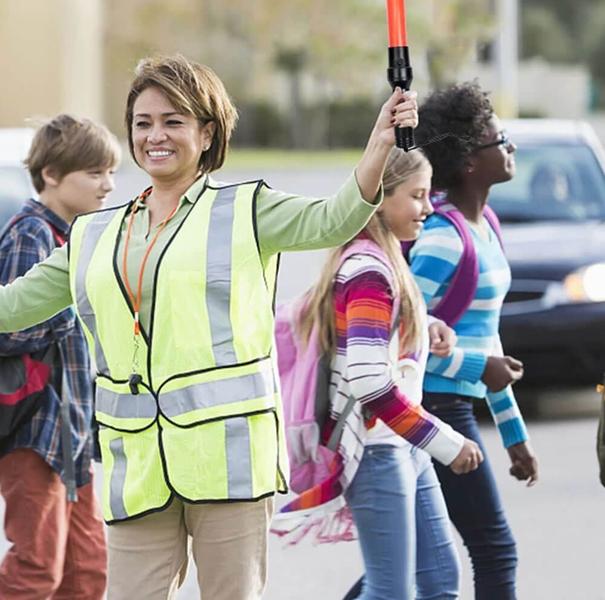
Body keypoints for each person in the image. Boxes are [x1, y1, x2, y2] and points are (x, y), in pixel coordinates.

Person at [0, 54, 421, 600]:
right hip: (140, 470)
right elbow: (11, 307)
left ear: (206, 132)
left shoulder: (246, 210)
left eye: (173, 121)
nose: (156, 136)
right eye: (143, 123)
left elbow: (334, 218)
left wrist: (380, 145)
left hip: (231, 468)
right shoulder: (93, 234)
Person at [277, 147, 484, 600]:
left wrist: (426, 328)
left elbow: (374, 337)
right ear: (378, 199)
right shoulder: (367, 269)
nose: (429, 208)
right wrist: (447, 443)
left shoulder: (384, 260)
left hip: (400, 444)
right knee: (393, 591)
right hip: (378, 450)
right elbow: (371, 383)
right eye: (417, 195)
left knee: (438, 580)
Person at [410, 81, 540, 600]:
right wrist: (475, 369)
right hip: (433, 407)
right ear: (467, 161)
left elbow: (490, 343)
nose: (510, 148)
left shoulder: (484, 225)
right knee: (492, 549)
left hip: (456, 403)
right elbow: (402, 330)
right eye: (499, 139)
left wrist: (514, 434)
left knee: (414, 561)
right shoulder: (442, 239)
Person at [0, 114, 120, 598]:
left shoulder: (77, 237)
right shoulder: (31, 234)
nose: (108, 185)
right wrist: (78, 305)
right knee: (35, 571)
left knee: (86, 571)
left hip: (71, 432)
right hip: (33, 431)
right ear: (51, 175)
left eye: (111, 173)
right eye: (94, 174)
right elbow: (9, 329)